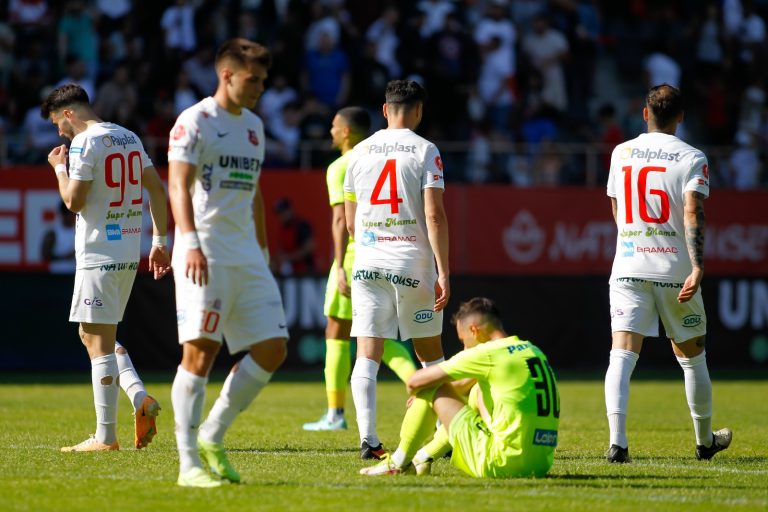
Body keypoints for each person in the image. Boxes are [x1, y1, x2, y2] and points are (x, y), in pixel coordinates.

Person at [167, 38, 288, 488]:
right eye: (253, 80)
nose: (260, 89)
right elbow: (177, 185)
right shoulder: (194, 121)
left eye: (263, 81)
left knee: (274, 347)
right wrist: (190, 242)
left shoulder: (255, 127)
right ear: (227, 75)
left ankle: (213, 435)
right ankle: (188, 465)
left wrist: (263, 250)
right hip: (205, 250)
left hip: (246, 255)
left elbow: (253, 193)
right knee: (201, 352)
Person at [604, 84, 732, 463]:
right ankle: (704, 441)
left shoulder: (621, 152)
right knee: (692, 357)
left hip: (628, 266)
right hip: (674, 270)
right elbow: (693, 210)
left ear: (645, 113)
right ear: (681, 117)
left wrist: (632, 240)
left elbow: (616, 205)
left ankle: (617, 443)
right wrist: (698, 265)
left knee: (621, 353)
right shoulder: (692, 157)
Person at [41, 83, 170, 452]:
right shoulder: (128, 137)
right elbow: (156, 189)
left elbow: (73, 201)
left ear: (69, 113)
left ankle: (106, 437)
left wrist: (59, 169)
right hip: (128, 249)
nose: (59, 133)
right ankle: (139, 397)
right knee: (95, 334)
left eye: (57, 123)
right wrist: (160, 242)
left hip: (99, 253)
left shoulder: (84, 143)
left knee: (97, 341)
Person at [343, 79, 450, 459]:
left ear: (385, 110)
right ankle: (442, 434)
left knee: (367, 354)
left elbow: (350, 223)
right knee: (431, 355)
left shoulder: (358, 152)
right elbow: (434, 216)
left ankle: (369, 441)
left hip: (368, 262)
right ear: (418, 111)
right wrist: (443, 271)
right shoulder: (426, 150)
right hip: (411, 263)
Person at [302, 107, 417, 432]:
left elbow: (341, 219)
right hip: (387, 250)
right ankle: (423, 385)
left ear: (346, 132)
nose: (330, 131)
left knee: (336, 330)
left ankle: (335, 414)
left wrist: (339, 266)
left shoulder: (341, 165)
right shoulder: (380, 158)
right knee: (379, 331)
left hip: (355, 256)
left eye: (333, 126)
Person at [360, 297, 560, 478]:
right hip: (540, 464)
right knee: (477, 389)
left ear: (474, 330)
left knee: (432, 387)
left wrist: (423, 393)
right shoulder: (532, 350)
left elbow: (415, 381)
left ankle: (397, 463)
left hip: (501, 463)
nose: (465, 348)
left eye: (464, 340)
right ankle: (423, 457)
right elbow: (464, 385)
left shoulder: (487, 353)